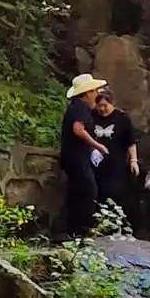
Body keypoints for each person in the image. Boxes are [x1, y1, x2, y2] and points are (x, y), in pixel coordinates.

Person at [58, 75, 108, 237]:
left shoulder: (76, 107)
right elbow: (78, 129)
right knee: (89, 191)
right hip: (77, 158)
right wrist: (97, 145)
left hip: (72, 157)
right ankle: (83, 230)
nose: (96, 94)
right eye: (93, 91)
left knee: (76, 192)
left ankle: (72, 230)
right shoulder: (80, 108)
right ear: (86, 93)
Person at [86, 83, 139, 232]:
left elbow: (131, 141)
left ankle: (117, 226)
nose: (102, 109)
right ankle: (97, 226)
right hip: (95, 164)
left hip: (116, 165)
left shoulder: (122, 118)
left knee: (115, 194)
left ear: (112, 103)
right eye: (99, 106)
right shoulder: (91, 117)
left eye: (105, 105)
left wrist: (134, 161)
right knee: (97, 193)